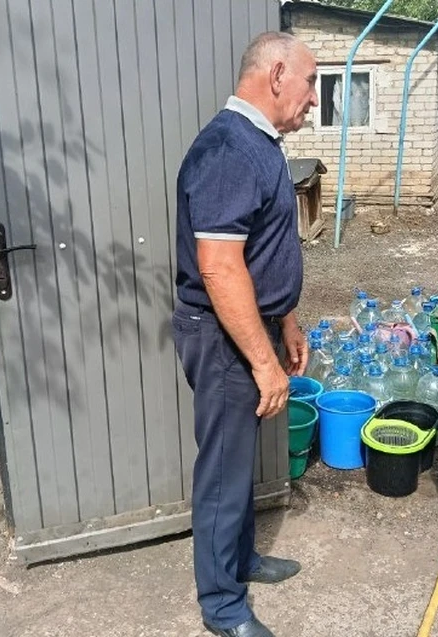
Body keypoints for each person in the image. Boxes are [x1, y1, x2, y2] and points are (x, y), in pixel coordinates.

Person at [171, 32, 318, 637]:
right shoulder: (230, 149)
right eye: (312, 83)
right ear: (277, 73)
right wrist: (261, 361)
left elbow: (263, 250)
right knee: (224, 470)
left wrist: (285, 320)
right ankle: (222, 606)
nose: (314, 100)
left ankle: (240, 560)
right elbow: (220, 267)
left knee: (241, 464)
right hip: (223, 335)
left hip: (251, 327)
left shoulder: (262, 144)